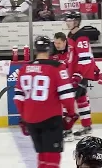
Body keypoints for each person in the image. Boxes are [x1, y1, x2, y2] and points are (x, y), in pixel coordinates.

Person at [13, 36, 78, 168]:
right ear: (50, 49)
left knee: (42, 157)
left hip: (31, 120)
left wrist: (24, 118)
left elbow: (18, 98)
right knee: (52, 159)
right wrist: (71, 114)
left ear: (36, 49)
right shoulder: (57, 67)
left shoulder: (24, 68)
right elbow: (67, 96)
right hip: (51, 120)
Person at [62, 11, 100, 140]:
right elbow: (72, 56)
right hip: (75, 73)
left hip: (80, 74)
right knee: (81, 100)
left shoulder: (81, 36)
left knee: (69, 100)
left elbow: (85, 59)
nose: (67, 22)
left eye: (70, 20)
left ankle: (67, 130)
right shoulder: (71, 35)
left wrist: (78, 75)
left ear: (76, 21)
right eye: (66, 20)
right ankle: (87, 127)